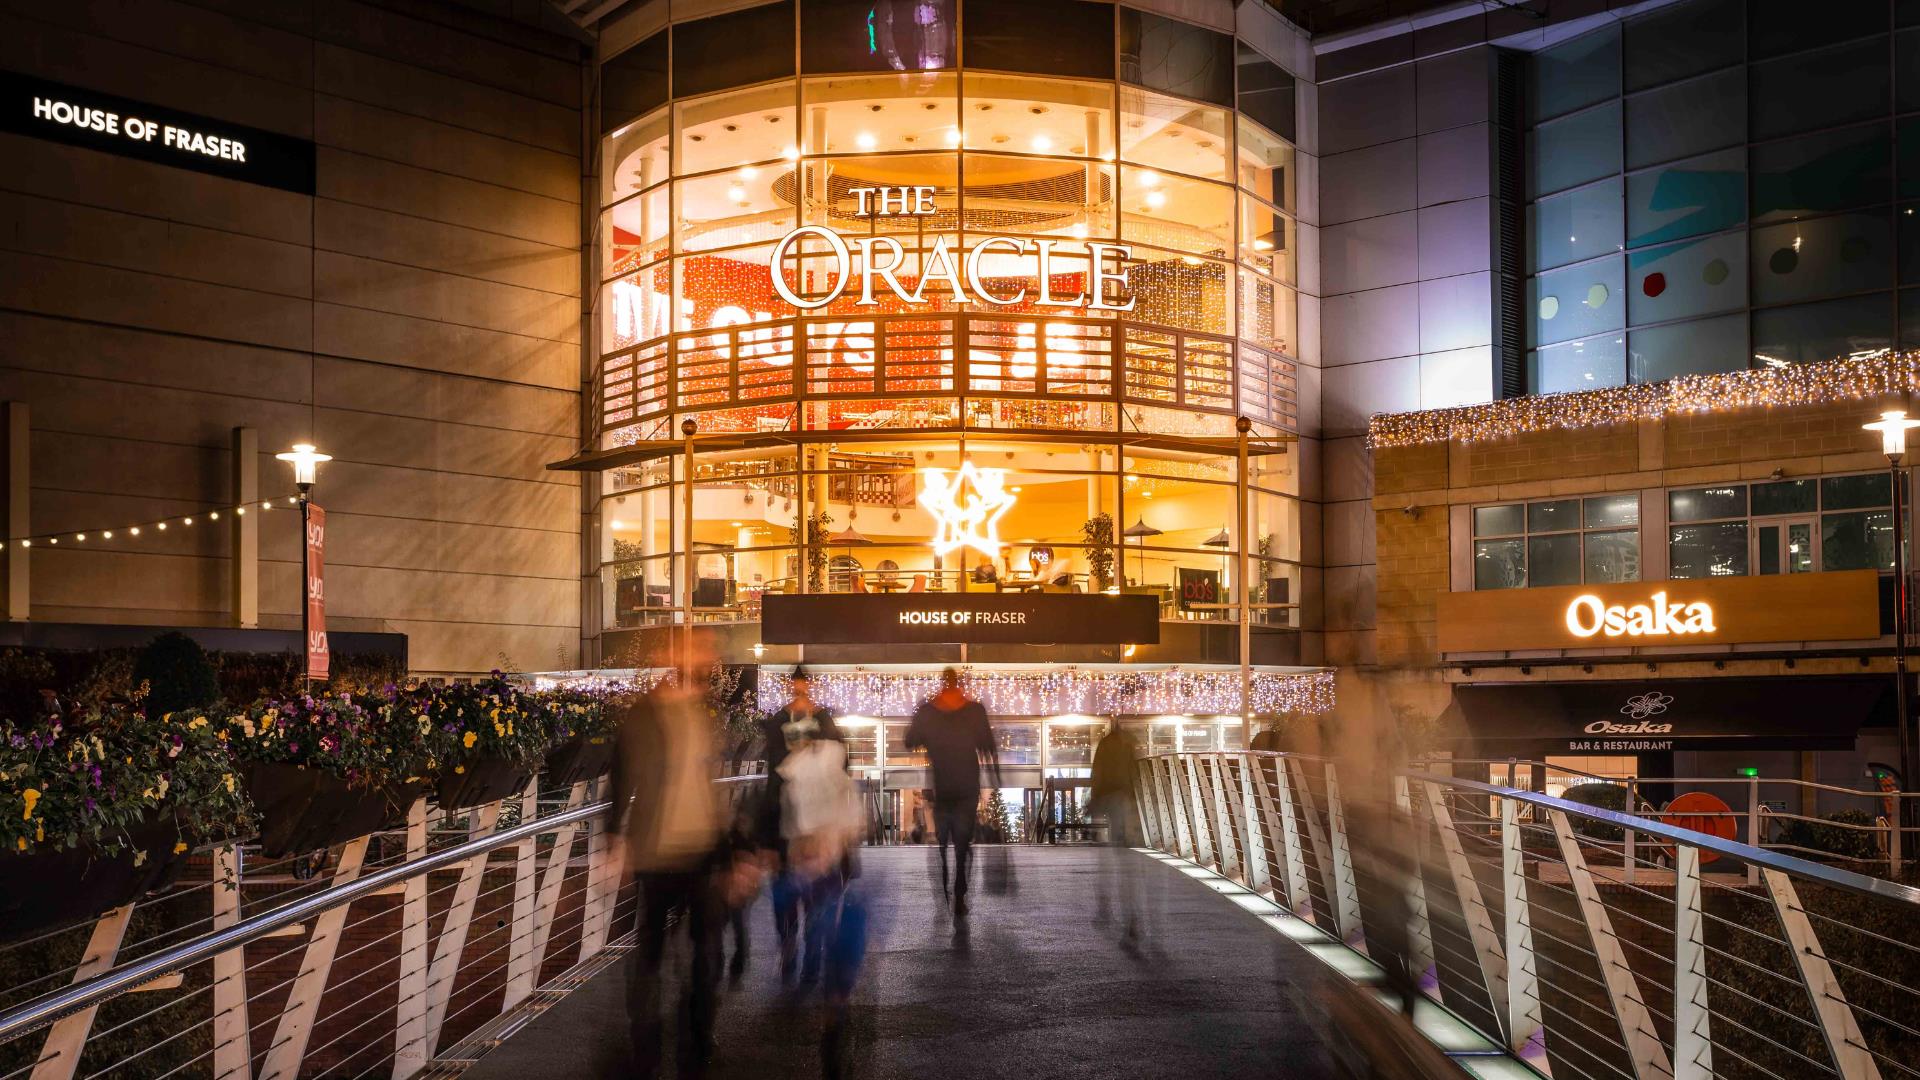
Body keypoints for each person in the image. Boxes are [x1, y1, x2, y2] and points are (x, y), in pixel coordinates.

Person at [608, 665, 726, 1078]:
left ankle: (697, 1028)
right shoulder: (645, 716)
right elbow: (622, 776)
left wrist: (727, 847)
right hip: (657, 851)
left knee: (706, 948)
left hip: (698, 847)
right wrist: (616, 839)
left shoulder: (701, 718)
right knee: (652, 948)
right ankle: (646, 1036)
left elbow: (709, 785)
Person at [757, 667, 842, 982]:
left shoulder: (824, 722)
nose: (800, 691)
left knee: (814, 890)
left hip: (814, 820)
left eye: (803, 686)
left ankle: (809, 948)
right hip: (785, 817)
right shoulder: (778, 723)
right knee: (786, 889)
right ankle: (790, 943)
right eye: (797, 686)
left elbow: (838, 765)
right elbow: (772, 778)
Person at [903, 668, 997, 916]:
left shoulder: (929, 712)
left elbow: (910, 739)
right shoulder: (973, 711)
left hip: (943, 786)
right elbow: (988, 745)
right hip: (965, 785)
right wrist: (995, 775)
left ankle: (949, 889)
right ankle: (958, 893)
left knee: (944, 842)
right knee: (962, 843)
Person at [1089, 723, 1145, 946]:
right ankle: (1131, 915)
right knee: (1125, 861)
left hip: (1110, 800)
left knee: (1108, 858)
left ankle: (1105, 905)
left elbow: (1097, 773)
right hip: (1124, 800)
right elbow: (1136, 772)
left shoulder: (1105, 744)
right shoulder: (1129, 743)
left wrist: (1094, 800)